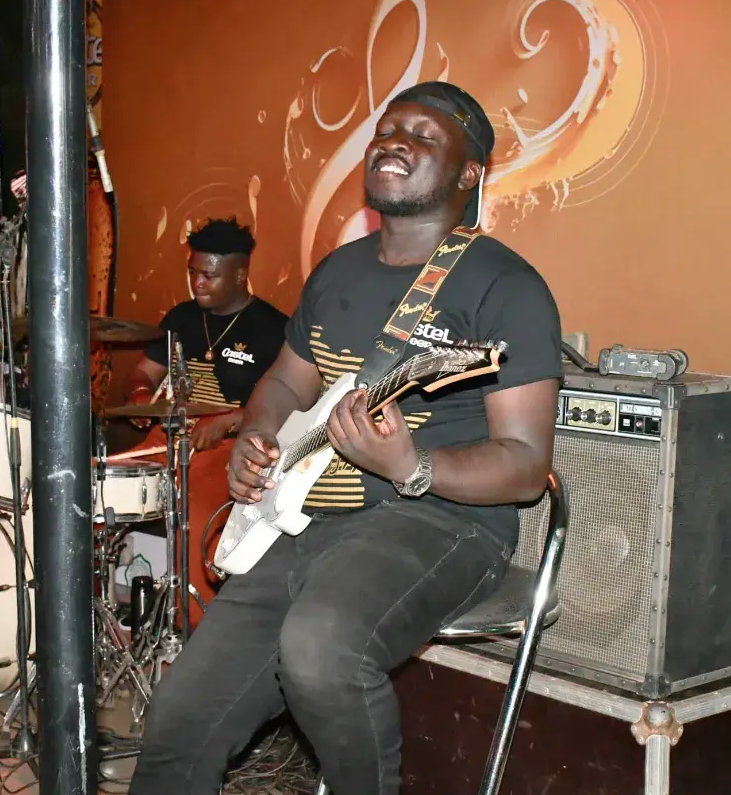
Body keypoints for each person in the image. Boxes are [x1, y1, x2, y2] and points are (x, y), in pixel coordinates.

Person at [128, 82, 562, 794]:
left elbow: (523, 467)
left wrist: (412, 465)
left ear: (468, 173)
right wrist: (256, 435)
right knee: (179, 718)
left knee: (320, 648)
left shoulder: (504, 286)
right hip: (310, 518)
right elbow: (284, 382)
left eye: (423, 135)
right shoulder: (337, 272)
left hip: (440, 521)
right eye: (387, 130)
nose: (394, 142)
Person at [122, 216, 287, 624]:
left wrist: (229, 422)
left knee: (194, 515)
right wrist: (140, 393)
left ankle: (193, 628)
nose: (198, 283)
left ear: (240, 274)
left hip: (230, 446)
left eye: (209, 276)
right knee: (93, 485)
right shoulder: (181, 318)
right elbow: (145, 373)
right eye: (193, 273)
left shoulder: (274, 328)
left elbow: (286, 405)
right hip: (170, 436)